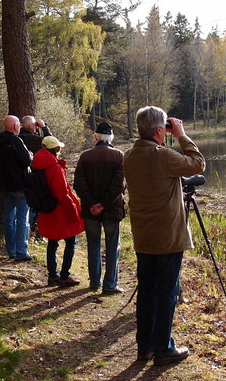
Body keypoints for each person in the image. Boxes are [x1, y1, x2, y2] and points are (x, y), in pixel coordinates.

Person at [123, 106, 205, 367]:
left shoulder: (129, 156)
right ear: (160, 130)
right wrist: (181, 135)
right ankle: (163, 348)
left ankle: (144, 347)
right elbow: (197, 163)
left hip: (143, 235)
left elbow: (153, 184)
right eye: (165, 129)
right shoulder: (163, 156)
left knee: (147, 291)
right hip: (167, 236)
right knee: (167, 292)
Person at [73, 122, 126, 295]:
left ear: (96, 137)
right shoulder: (119, 156)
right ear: (110, 138)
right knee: (112, 247)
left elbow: (79, 184)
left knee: (93, 245)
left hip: (91, 211)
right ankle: (110, 284)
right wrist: (103, 204)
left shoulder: (85, 156)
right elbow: (118, 186)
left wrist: (93, 204)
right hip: (111, 210)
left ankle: (95, 282)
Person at [33, 136, 84, 286]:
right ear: (55, 150)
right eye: (59, 149)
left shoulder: (37, 165)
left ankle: (52, 275)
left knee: (52, 242)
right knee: (70, 242)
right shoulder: (54, 167)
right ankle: (64, 276)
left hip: (46, 209)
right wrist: (74, 210)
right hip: (60, 210)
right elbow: (63, 193)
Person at [0, 115, 35, 261]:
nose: (19, 127)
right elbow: (25, 159)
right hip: (20, 185)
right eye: (18, 124)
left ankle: (11, 250)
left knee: (8, 219)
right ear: (14, 126)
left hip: (5, 186)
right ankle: (21, 251)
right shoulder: (16, 140)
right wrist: (30, 155)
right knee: (23, 219)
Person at [20, 116, 51, 230]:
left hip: (18, 178)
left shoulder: (18, 138)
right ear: (31, 126)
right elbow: (51, 144)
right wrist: (44, 128)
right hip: (34, 177)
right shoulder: (35, 140)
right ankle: (34, 230)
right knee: (34, 206)